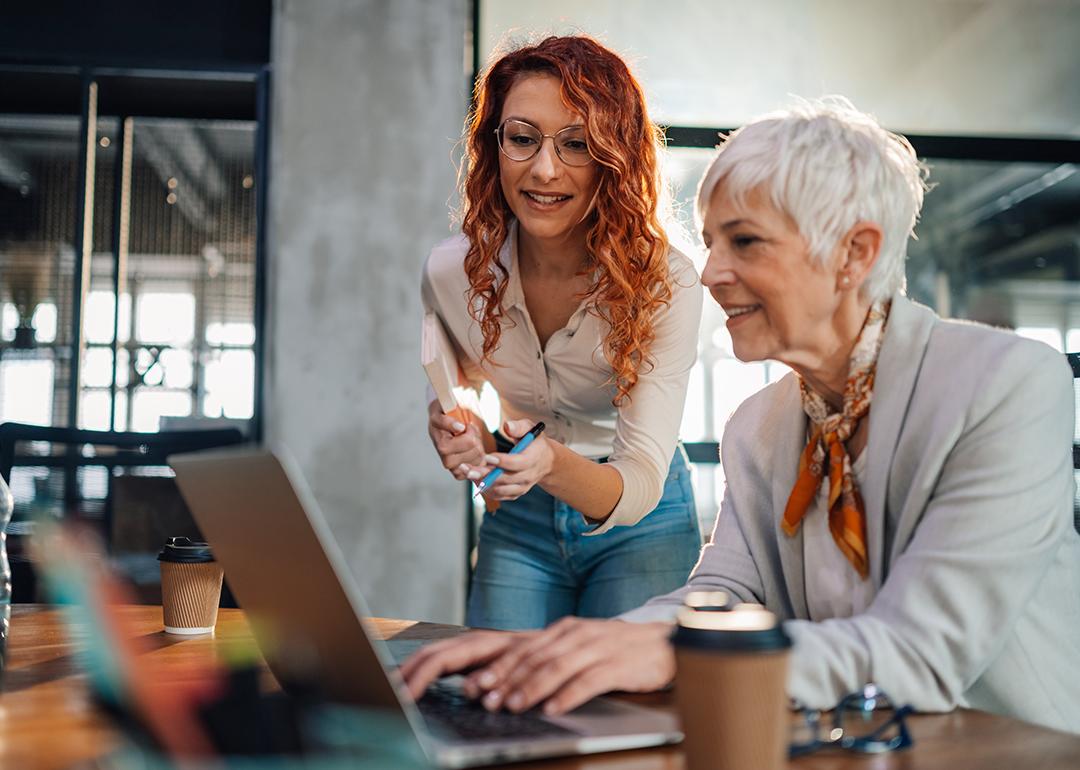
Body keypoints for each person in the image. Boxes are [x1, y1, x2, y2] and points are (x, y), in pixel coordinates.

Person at [404, 97, 1080, 733]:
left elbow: (920, 652)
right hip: (859, 743)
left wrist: (672, 652)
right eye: (710, 241)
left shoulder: (1007, 385)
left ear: (856, 254)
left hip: (1011, 747)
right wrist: (576, 645)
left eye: (745, 243)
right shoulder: (758, 425)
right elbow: (721, 594)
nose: (710, 271)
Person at [421, 35, 703, 630]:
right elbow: (465, 386)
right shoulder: (452, 272)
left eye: (576, 144)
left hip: (643, 521)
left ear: (614, 157)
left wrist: (547, 463)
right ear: (494, 145)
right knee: (499, 704)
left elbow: (641, 480)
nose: (544, 169)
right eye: (522, 138)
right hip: (519, 516)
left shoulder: (666, 283)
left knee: (630, 715)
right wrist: (463, 431)